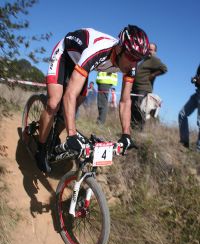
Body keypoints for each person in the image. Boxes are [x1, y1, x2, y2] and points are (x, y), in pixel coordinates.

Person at [35, 25, 150, 173]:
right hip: (65, 53)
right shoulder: (99, 50)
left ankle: (54, 135)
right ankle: (41, 148)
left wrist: (126, 134)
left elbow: (125, 101)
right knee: (53, 103)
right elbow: (70, 93)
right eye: (131, 57)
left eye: (138, 59)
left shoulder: (131, 66)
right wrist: (72, 134)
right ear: (119, 49)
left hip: (80, 61)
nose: (134, 63)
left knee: (78, 102)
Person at [131, 42, 167, 129]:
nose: (148, 51)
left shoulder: (154, 59)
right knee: (133, 107)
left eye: (150, 50)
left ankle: (139, 129)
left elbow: (164, 68)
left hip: (144, 88)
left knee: (140, 108)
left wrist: (153, 75)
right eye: (147, 49)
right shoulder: (143, 60)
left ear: (155, 51)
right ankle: (132, 128)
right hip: (135, 88)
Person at [178, 64, 200, 151]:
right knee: (182, 114)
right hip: (197, 93)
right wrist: (195, 79)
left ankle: (198, 149)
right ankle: (184, 142)